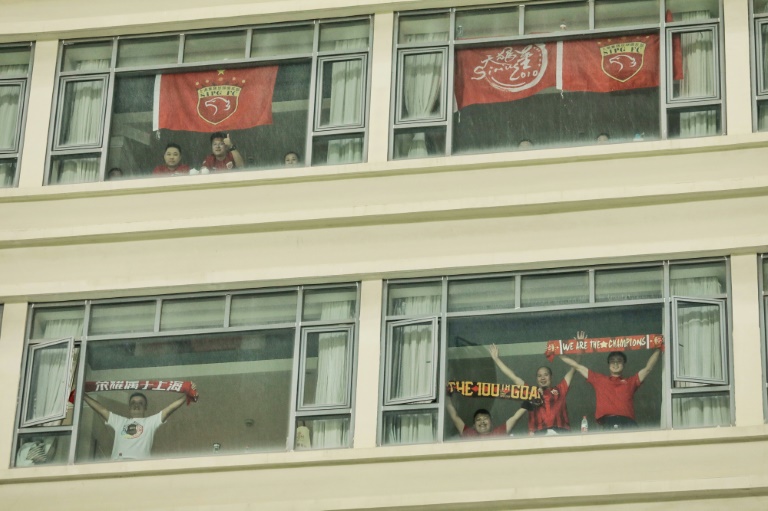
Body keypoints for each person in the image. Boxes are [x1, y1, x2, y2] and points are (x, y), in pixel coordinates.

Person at [560, 333, 661, 429]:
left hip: (628, 424)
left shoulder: (631, 381)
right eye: (612, 361)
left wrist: (659, 348)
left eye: (619, 361)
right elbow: (577, 367)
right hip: (608, 423)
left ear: (624, 364)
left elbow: (648, 368)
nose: (616, 364)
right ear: (608, 364)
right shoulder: (599, 379)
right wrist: (559, 353)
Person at [83, 385, 196, 460]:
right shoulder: (120, 421)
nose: (136, 405)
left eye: (140, 403)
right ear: (129, 407)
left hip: (139, 465)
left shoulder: (150, 422)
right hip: (117, 465)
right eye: (133, 403)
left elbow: (168, 410)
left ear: (145, 407)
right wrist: (82, 395)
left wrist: (186, 396)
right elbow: (102, 410)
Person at [489, 341, 577, 435]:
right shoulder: (531, 392)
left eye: (545, 375)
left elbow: (575, 368)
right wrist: (496, 359)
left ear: (551, 377)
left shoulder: (560, 389)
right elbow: (514, 377)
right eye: (539, 376)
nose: (542, 378)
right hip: (538, 435)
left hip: (561, 434)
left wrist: (579, 351)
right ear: (536, 379)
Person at [446, 398, 526, 438]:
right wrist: (446, 395)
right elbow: (454, 417)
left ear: (491, 422)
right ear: (474, 425)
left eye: (485, 418)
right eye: (478, 419)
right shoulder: (469, 434)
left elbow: (514, 418)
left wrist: (529, 402)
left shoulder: (498, 433)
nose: (482, 422)